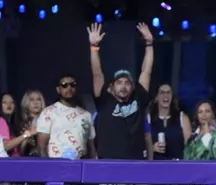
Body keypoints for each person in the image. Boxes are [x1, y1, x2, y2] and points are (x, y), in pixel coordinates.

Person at [87, 22, 155, 160]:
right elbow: (97, 73)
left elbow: (146, 72)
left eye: (127, 83)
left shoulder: (138, 99)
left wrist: (149, 44)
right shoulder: (104, 101)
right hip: (107, 164)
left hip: (135, 165)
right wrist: (94, 47)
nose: (123, 86)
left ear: (132, 87)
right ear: (111, 88)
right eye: (119, 83)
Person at [36, 74, 97, 159]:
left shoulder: (86, 115)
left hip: (80, 166)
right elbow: (41, 146)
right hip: (56, 166)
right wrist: (47, 167)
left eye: (73, 84)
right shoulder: (48, 112)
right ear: (58, 89)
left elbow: (91, 147)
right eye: (64, 85)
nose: (69, 88)